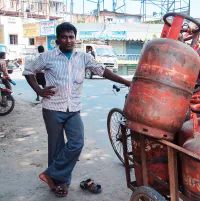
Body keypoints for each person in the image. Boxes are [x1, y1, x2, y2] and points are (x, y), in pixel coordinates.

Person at [23, 22, 131, 197]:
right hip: (52, 108)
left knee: (77, 142)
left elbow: (102, 71)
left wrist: (126, 82)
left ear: (75, 39)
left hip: (73, 109)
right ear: (57, 39)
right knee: (56, 147)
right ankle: (61, 183)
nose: (68, 40)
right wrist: (38, 90)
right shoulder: (47, 57)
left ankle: (51, 174)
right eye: (64, 37)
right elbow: (28, 71)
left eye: (71, 37)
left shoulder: (83, 57)